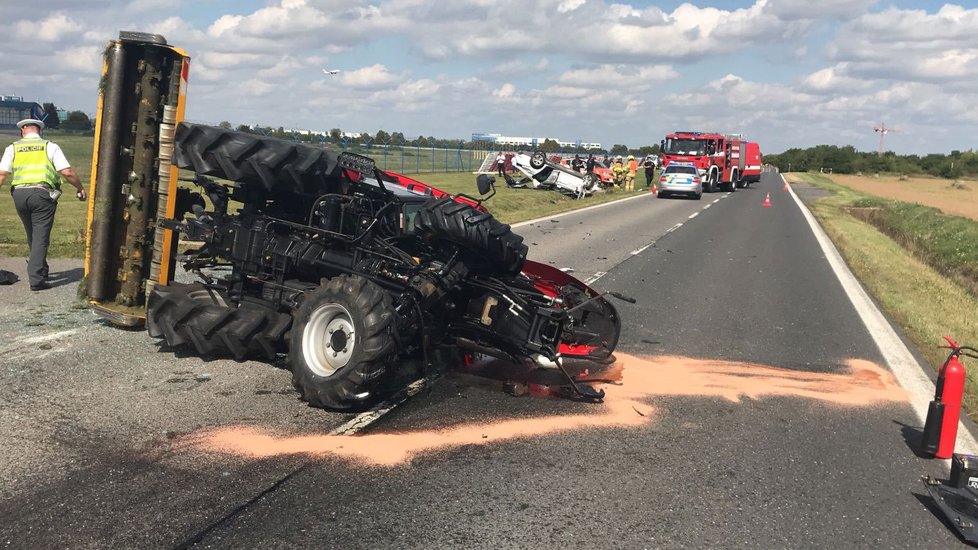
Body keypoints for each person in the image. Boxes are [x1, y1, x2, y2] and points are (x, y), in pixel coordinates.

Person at [0, 119, 87, 291]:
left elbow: (2, 174)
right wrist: (80, 188)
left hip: (19, 195)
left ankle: (41, 268)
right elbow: (66, 172)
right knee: (41, 236)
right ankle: (37, 279)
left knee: (32, 233)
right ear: (40, 131)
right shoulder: (49, 146)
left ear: (22, 132)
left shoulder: (13, 147)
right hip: (42, 195)